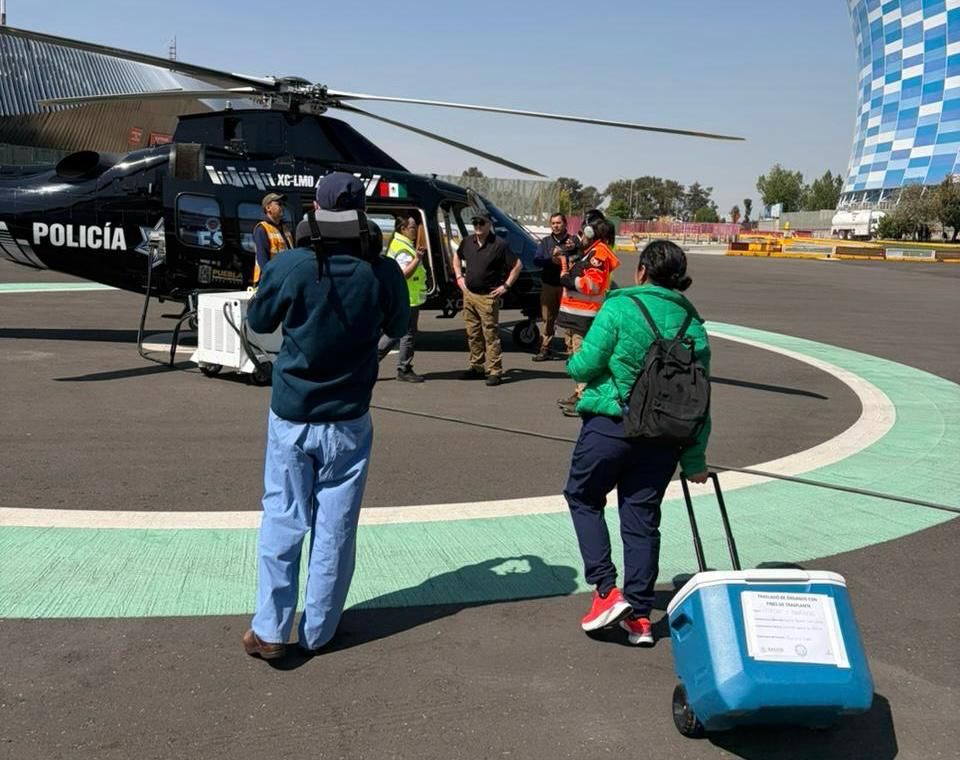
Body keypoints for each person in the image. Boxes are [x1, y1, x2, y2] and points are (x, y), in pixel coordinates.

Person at [242, 172, 409, 660]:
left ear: (316, 207)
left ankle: (271, 629)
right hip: (350, 417)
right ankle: (320, 629)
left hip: (293, 413)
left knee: (283, 517)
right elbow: (397, 327)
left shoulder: (292, 265)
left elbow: (258, 321)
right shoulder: (382, 273)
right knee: (335, 525)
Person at [563, 239, 711, 646]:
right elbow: (700, 397)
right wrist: (695, 459)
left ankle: (606, 591)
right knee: (642, 518)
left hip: (611, 426)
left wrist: (571, 365)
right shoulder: (693, 326)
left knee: (582, 496)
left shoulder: (620, 307)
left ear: (641, 271)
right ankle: (641, 618)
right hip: (665, 438)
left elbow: (586, 363)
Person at [555, 211, 619, 415]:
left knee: (585, 358)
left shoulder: (598, 254)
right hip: (575, 316)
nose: (579, 237)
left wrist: (570, 281)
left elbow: (593, 285)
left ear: (590, 232)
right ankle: (579, 392)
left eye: (582, 232)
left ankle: (585, 399)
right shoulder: (589, 252)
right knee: (576, 356)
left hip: (586, 317)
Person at [452, 210, 522, 387]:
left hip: (487, 297)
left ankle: (495, 370)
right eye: (475, 223)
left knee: (490, 335)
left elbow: (517, 265)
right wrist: (459, 277)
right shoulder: (467, 242)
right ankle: (477, 367)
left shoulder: (499, 245)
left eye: (481, 223)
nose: (477, 226)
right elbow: (456, 256)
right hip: (469, 295)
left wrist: (505, 286)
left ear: (489, 224)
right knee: (473, 333)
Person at [378, 215, 428, 383]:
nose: (415, 231)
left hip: (406, 297)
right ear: (403, 229)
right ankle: (403, 368)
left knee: (397, 332)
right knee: (405, 334)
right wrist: (418, 259)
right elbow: (404, 273)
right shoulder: (403, 248)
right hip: (407, 298)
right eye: (413, 228)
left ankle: (370, 361)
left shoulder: (402, 244)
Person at [532, 212, 579, 362]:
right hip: (549, 285)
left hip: (568, 288)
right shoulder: (546, 242)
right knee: (548, 318)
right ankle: (546, 348)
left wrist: (567, 255)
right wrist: (551, 259)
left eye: (558, 223)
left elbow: (581, 256)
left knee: (569, 319)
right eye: (553, 223)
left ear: (565, 224)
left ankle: (571, 351)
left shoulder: (573, 241)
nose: (556, 226)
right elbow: (537, 260)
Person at [251, 192, 294, 286]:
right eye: (279, 204)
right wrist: (272, 280)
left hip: (284, 279)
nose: (282, 207)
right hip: (269, 282)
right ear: (268, 208)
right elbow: (262, 260)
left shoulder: (286, 229)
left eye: (283, 204)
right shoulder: (262, 229)